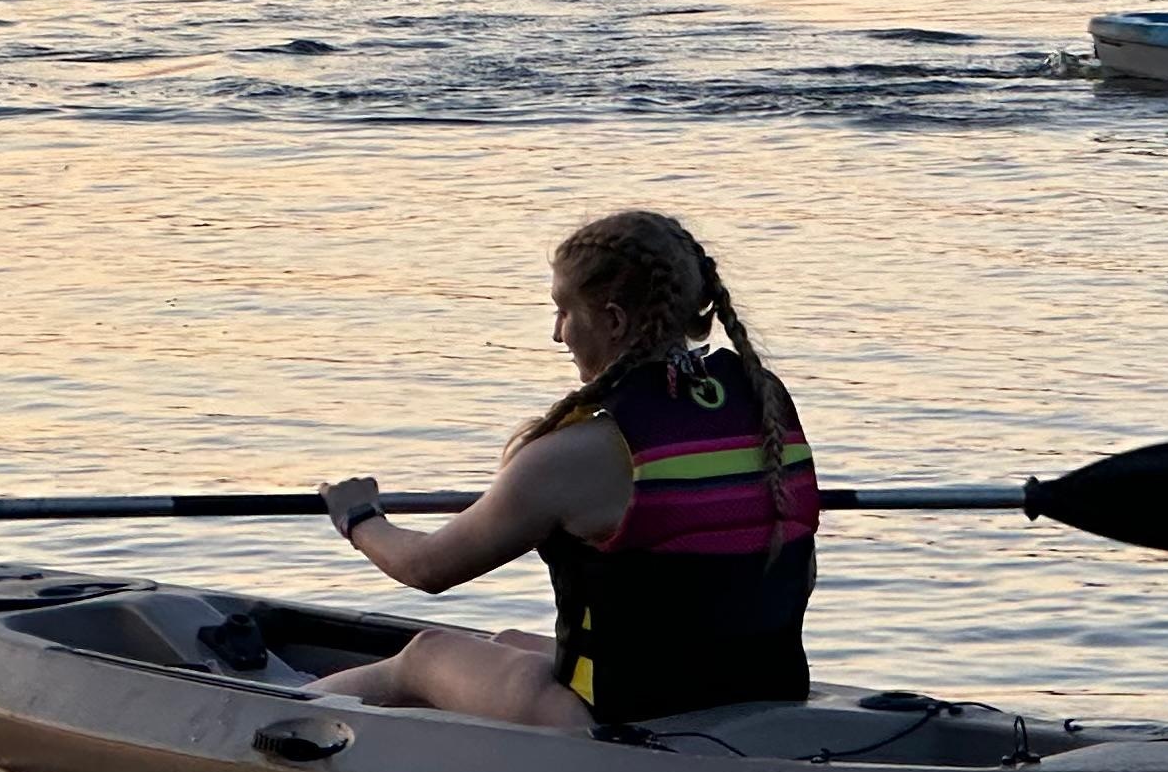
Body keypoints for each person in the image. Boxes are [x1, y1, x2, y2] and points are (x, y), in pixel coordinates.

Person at [310, 210, 820, 732]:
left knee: (426, 655)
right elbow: (799, 574)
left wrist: (359, 517)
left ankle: (286, 712)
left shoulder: (579, 453)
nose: (558, 335)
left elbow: (427, 569)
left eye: (564, 312)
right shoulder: (764, 404)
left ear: (614, 321)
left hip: (624, 719)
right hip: (764, 691)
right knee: (508, 643)